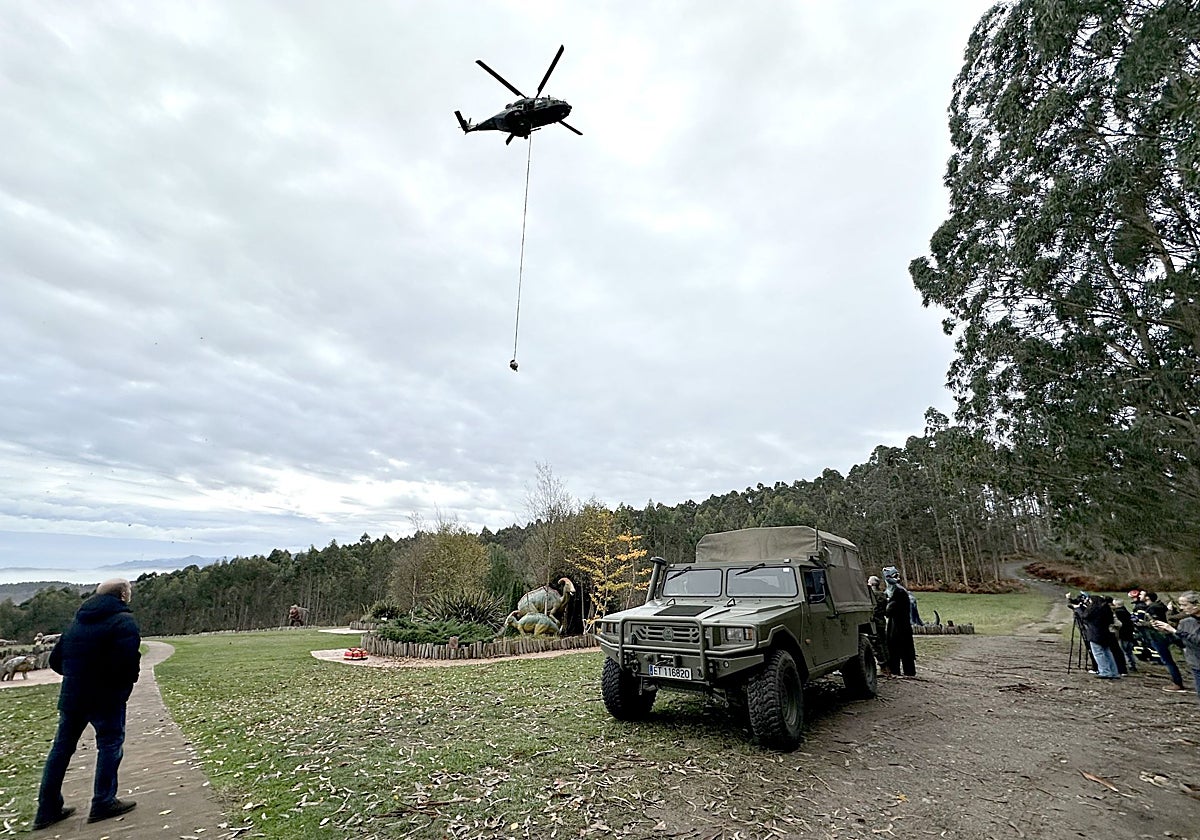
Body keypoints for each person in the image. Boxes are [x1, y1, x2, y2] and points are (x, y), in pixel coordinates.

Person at [34, 578, 141, 830]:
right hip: (107, 697)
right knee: (110, 745)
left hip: (73, 695)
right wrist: (124, 687)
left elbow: (56, 661)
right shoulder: (124, 621)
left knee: (61, 750)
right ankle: (103, 801)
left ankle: (46, 808)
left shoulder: (76, 623)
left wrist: (77, 675)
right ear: (123, 594)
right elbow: (127, 663)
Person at [1151, 590, 1200, 703]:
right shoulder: (1185, 622)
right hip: (1196, 663)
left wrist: (1174, 630)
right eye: (1180, 605)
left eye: (1185, 605)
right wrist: (1166, 631)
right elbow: (1180, 641)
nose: (1182, 608)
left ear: (1196, 604)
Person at [1140, 590, 1189, 693]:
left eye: (1141, 594)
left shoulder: (1153, 608)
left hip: (1159, 636)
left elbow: (1156, 623)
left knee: (1167, 660)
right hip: (1167, 634)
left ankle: (1177, 683)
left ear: (1147, 597)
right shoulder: (1160, 606)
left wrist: (1142, 623)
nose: (1139, 595)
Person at [1071, 593, 1120, 679]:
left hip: (1095, 634)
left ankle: (1105, 671)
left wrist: (1077, 608)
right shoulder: (1106, 609)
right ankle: (1114, 671)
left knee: (1098, 653)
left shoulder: (1094, 610)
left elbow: (1084, 616)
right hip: (1106, 633)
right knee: (1107, 652)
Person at [882, 566, 916, 677]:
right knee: (897, 650)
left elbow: (889, 610)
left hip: (899, 625)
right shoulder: (892, 591)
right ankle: (898, 671)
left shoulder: (899, 592)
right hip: (897, 624)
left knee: (899, 649)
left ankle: (906, 672)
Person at [867, 575, 890, 673]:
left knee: (876, 643)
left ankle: (883, 666)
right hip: (882, 621)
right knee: (884, 643)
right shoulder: (882, 594)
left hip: (875, 621)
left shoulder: (871, 595)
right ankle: (888, 664)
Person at [1111, 598, 1138, 672]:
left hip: (1122, 634)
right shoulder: (1126, 612)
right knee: (1129, 651)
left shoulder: (1118, 613)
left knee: (1124, 651)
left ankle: (1128, 665)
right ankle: (1132, 665)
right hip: (1129, 634)